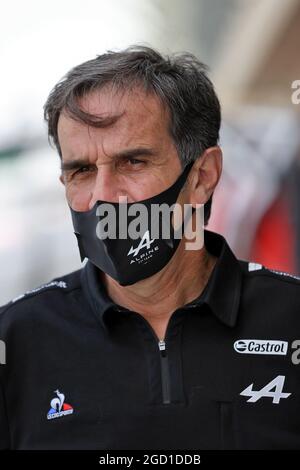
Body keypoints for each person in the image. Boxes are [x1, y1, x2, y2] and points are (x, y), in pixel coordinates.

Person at [0, 46, 300, 450]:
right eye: (82, 171)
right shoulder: (14, 341)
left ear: (203, 176)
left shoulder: (291, 317)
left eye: (133, 163)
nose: (105, 197)